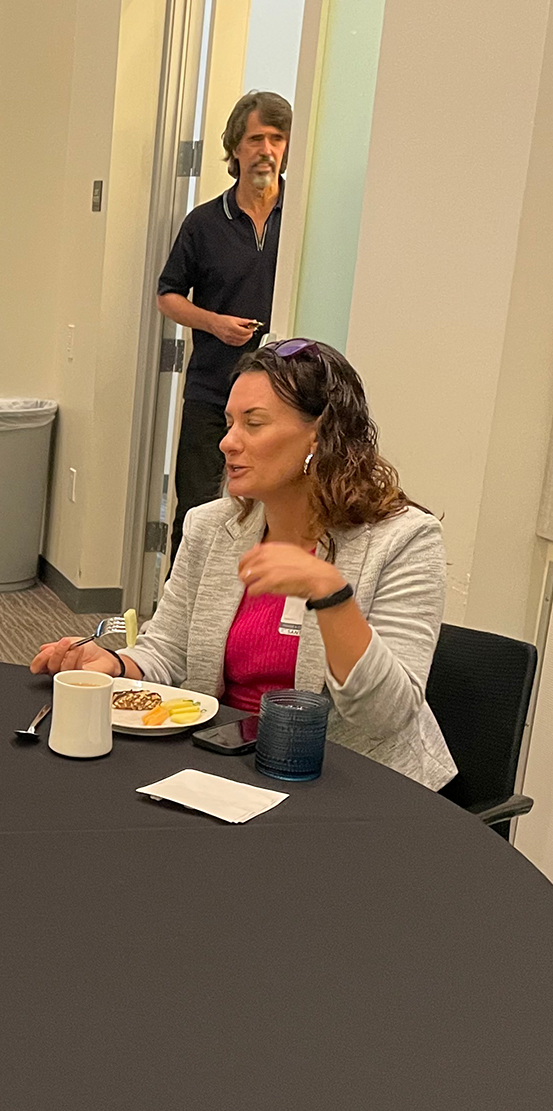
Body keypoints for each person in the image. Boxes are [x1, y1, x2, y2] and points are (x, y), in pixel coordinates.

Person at [30, 339, 457, 790]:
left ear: (320, 436)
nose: (226, 442)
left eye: (253, 424)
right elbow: (168, 652)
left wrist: (331, 595)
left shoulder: (405, 539)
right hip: (230, 764)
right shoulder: (211, 526)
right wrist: (116, 665)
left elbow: (385, 718)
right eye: (230, 422)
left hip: (356, 785)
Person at [157, 90, 292, 562]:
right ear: (236, 146)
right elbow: (167, 296)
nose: (268, 149)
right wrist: (213, 323)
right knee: (197, 512)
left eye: (278, 138)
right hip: (213, 396)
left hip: (284, 405)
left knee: (274, 518)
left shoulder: (302, 219)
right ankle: (173, 624)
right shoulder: (204, 223)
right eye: (257, 138)